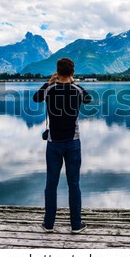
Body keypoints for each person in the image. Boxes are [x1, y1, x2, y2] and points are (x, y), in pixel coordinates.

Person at [33, 58, 92, 234]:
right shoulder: (77, 90)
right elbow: (88, 99)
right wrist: (74, 83)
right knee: (74, 184)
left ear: (57, 72)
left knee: (51, 184)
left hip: (53, 144)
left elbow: (36, 98)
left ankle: (49, 224)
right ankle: (75, 225)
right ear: (72, 72)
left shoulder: (50, 89)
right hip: (73, 143)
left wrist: (48, 82)